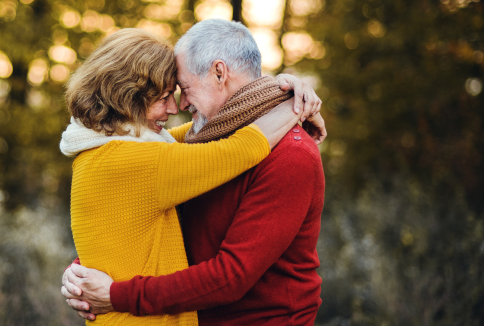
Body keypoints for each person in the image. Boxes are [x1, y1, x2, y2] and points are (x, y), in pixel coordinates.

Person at [62, 19, 327, 325]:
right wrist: (291, 102)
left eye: (183, 89)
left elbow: (231, 275)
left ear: (219, 73)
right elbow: (239, 146)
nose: (179, 106)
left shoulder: (291, 156)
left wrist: (115, 292)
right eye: (167, 97)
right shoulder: (153, 154)